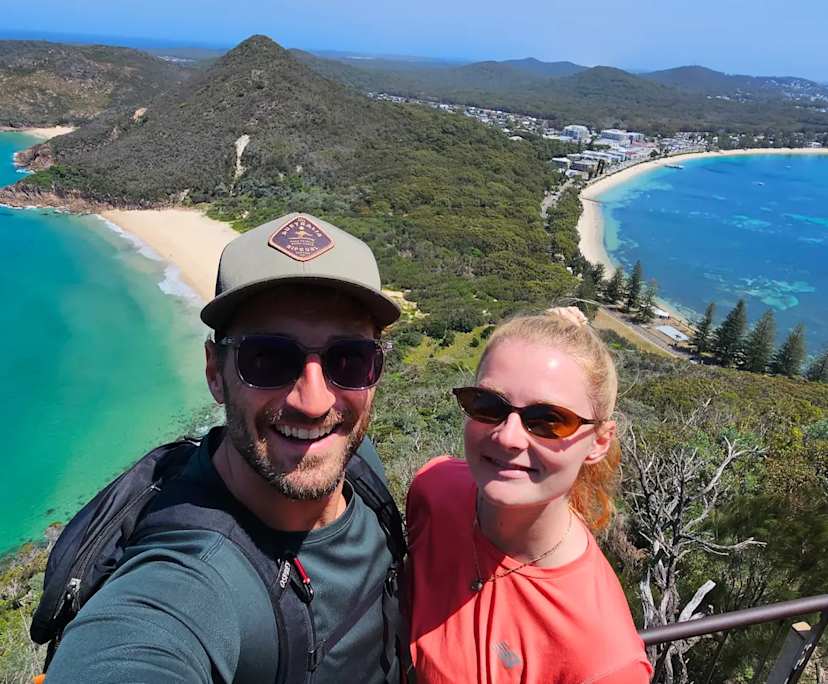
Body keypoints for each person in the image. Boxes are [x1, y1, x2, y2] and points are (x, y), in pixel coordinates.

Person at [45, 212, 407, 683]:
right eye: (268, 359)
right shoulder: (190, 572)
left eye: (349, 360)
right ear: (215, 373)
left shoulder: (357, 462)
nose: (314, 402)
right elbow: (134, 646)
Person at [406, 308, 652, 683]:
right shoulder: (433, 488)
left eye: (548, 420)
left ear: (599, 442)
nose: (509, 437)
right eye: (488, 405)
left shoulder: (605, 663)